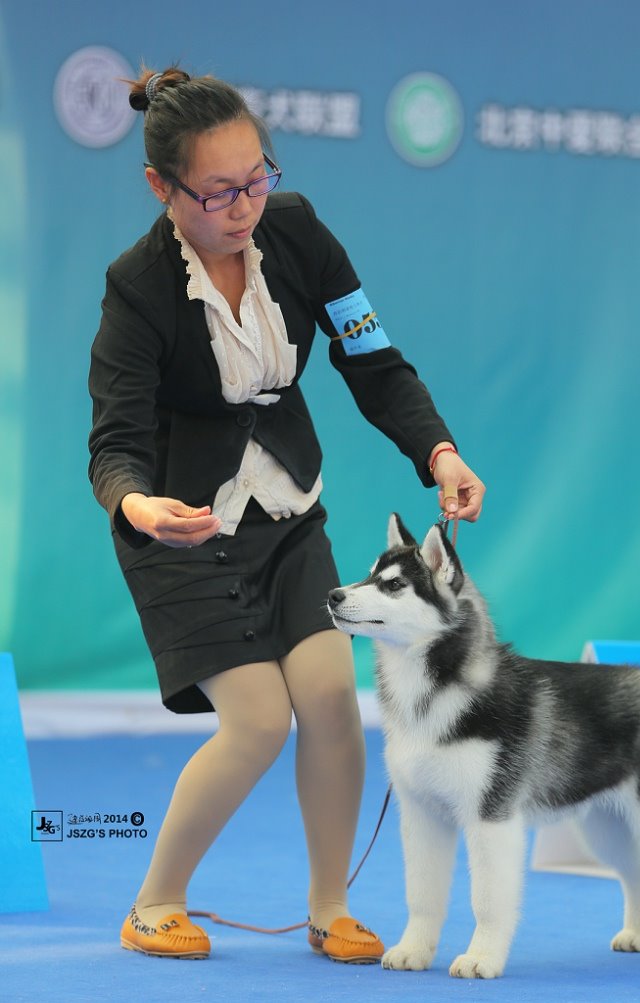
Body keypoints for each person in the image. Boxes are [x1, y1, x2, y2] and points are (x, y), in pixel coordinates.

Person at [88, 65, 485, 964]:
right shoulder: (138, 286)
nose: (244, 204)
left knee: (332, 701)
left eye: (256, 176)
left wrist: (440, 452)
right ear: (163, 188)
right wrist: (139, 503)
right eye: (219, 190)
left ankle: (329, 906)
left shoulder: (300, 234)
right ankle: (155, 901)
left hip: (289, 514)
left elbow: (374, 361)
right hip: (179, 527)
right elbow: (112, 440)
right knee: (259, 719)